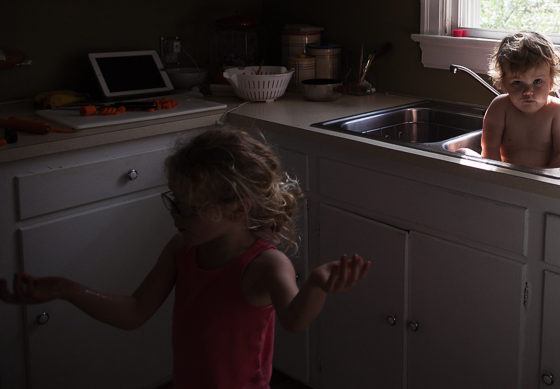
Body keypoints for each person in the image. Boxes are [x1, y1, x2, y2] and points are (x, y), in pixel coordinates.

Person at [0, 126, 370, 389]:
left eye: (188, 208)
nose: (174, 214)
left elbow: (293, 319)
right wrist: (68, 289)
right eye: (173, 200)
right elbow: (134, 310)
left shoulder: (265, 264)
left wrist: (319, 285)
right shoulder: (183, 249)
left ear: (237, 211)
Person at [480, 31, 560, 169]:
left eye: (537, 81)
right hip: (506, 176)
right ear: (505, 83)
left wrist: (545, 185)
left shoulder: (558, 111)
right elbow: (489, 150)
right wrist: (497, 181)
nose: (528, 92)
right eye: (517, 82)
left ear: (551, 81)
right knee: (461, 153)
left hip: (543, 181)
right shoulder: (500, 107)